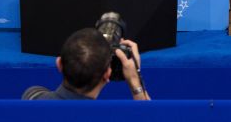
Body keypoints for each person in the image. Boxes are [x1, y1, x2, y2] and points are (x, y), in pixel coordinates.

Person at [22, 28, 150, 100]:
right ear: (107, 74)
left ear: (59, 64)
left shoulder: (31, 97)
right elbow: (149, 116)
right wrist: (135, 80)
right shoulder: (111, 117)